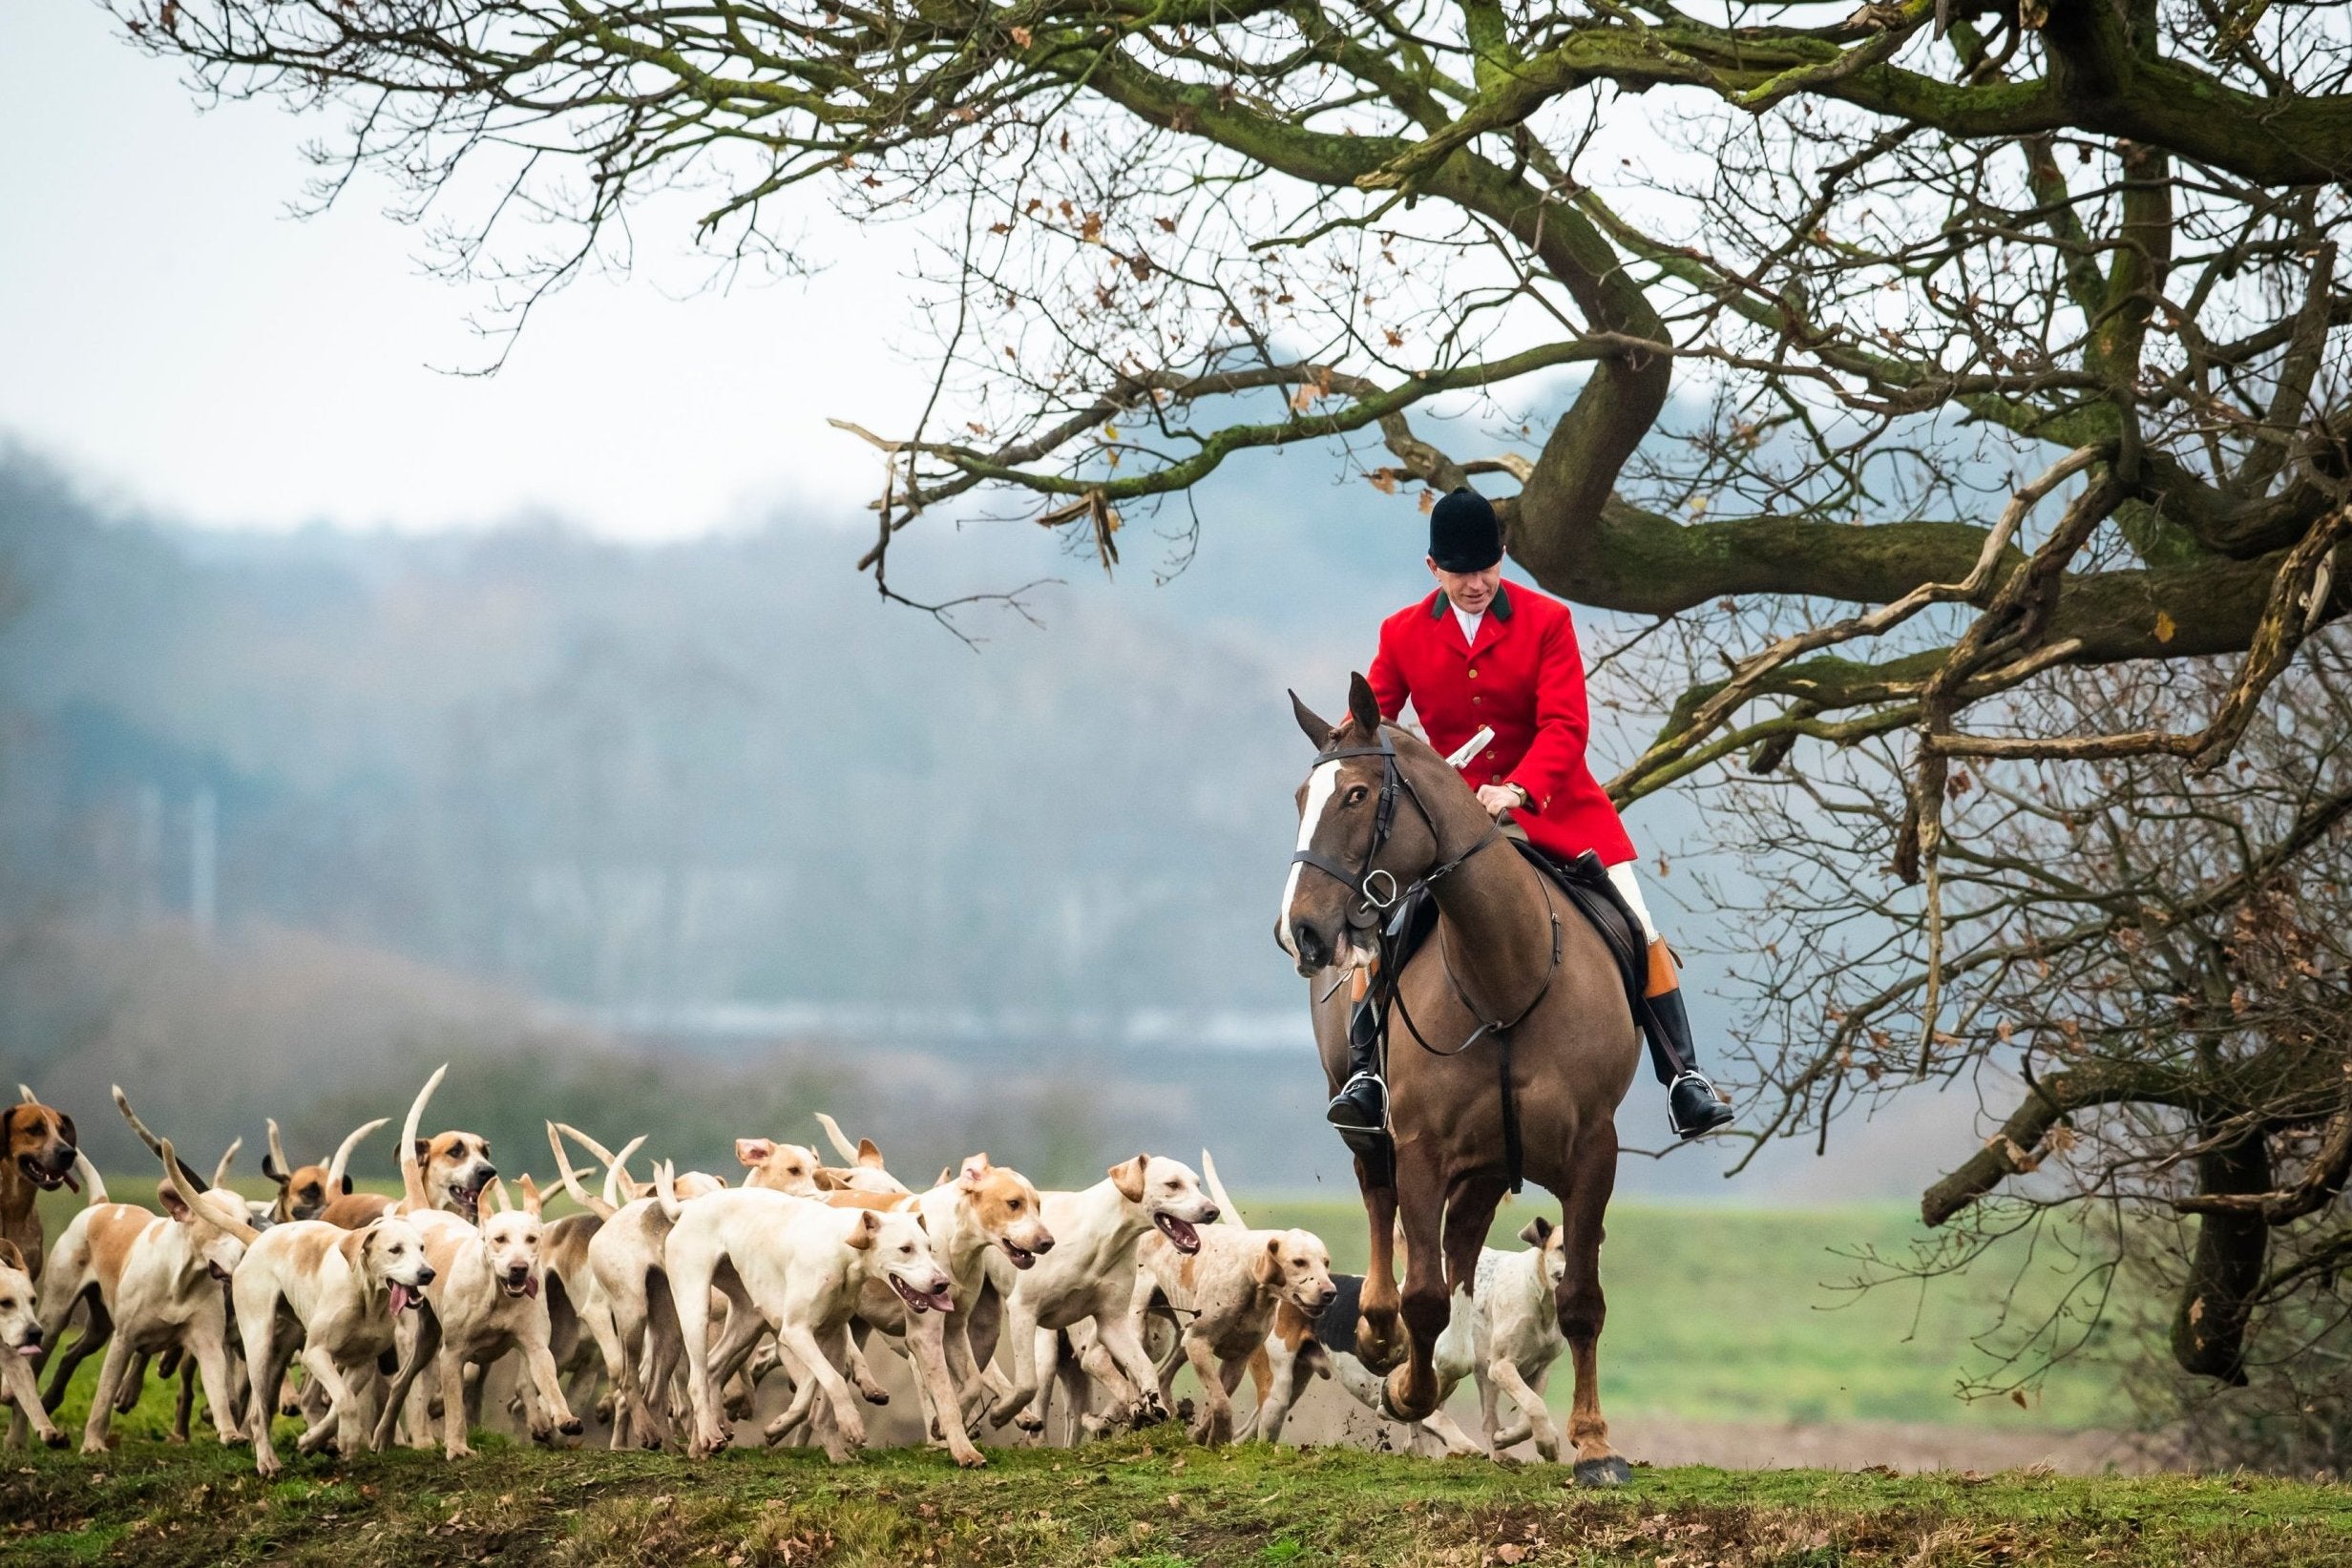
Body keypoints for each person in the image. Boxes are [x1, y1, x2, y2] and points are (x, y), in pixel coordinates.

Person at [1325, 486, 1736, 1144]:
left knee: (1638, 919)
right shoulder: (1401, 632)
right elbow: (1374, 715)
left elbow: (1566, 724)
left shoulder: (1547, 621)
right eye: (1462, 572)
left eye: (1488, 567)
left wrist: (1517, 788)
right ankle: (1367, 1074)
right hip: (1453, 822)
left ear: (1504, 555)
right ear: (1434, 569)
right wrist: (1338, 748)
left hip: (1556, 810)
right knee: (1381, 914)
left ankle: (1683, 1077)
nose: (1477, 583)